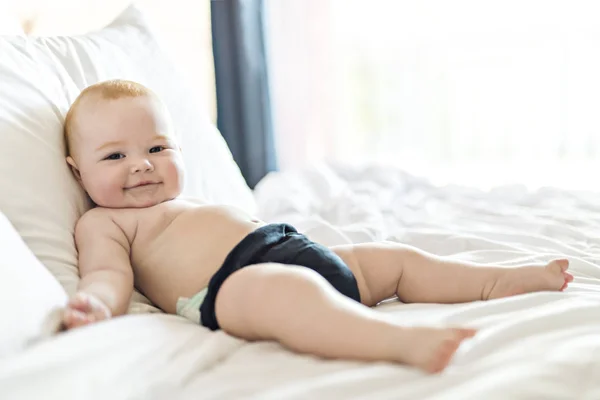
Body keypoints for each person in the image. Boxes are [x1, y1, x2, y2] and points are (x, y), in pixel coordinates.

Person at [61, 79, 573, 374]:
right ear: (77, 169)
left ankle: (498, 281)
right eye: (115, 155)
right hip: (231, 289)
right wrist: (96, 303)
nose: (142, 165)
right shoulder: (104, 222)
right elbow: (109, 274)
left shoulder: (185, 201)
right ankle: (395, 342)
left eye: (157, 148)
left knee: (391, 259)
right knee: (280, 293)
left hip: (293, 247)